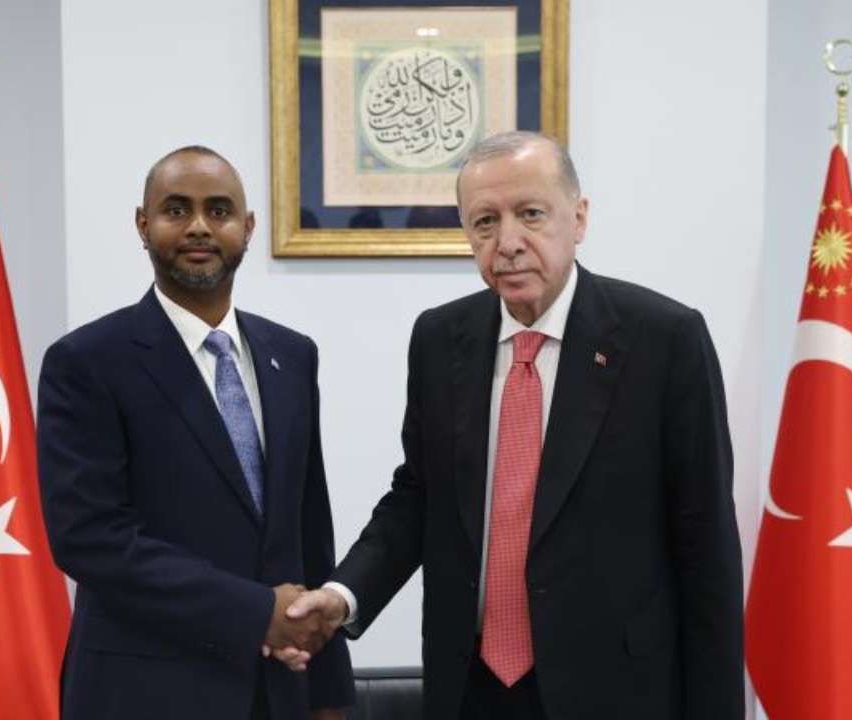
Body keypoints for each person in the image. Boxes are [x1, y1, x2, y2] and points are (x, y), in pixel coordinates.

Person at [283, 132, 744, 719]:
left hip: (616, 693)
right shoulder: (439, 339)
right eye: (485, 222)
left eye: (530, 214)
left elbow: (707, 550)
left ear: (578, 218)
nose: (507, 243)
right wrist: (342, 595)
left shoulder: (664, 340)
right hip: (470, 689)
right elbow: (419, 498)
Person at [36, 146, 353, 720]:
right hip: (142, 694)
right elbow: (90, 539)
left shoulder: (292, 355)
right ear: (143, 224)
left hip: (277, 693)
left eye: (219, 210)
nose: (199, 227)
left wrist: (329, 695)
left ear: (247, 227)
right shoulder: (86, 361)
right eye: (176, 210)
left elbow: (309, 535)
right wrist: (255, 611)